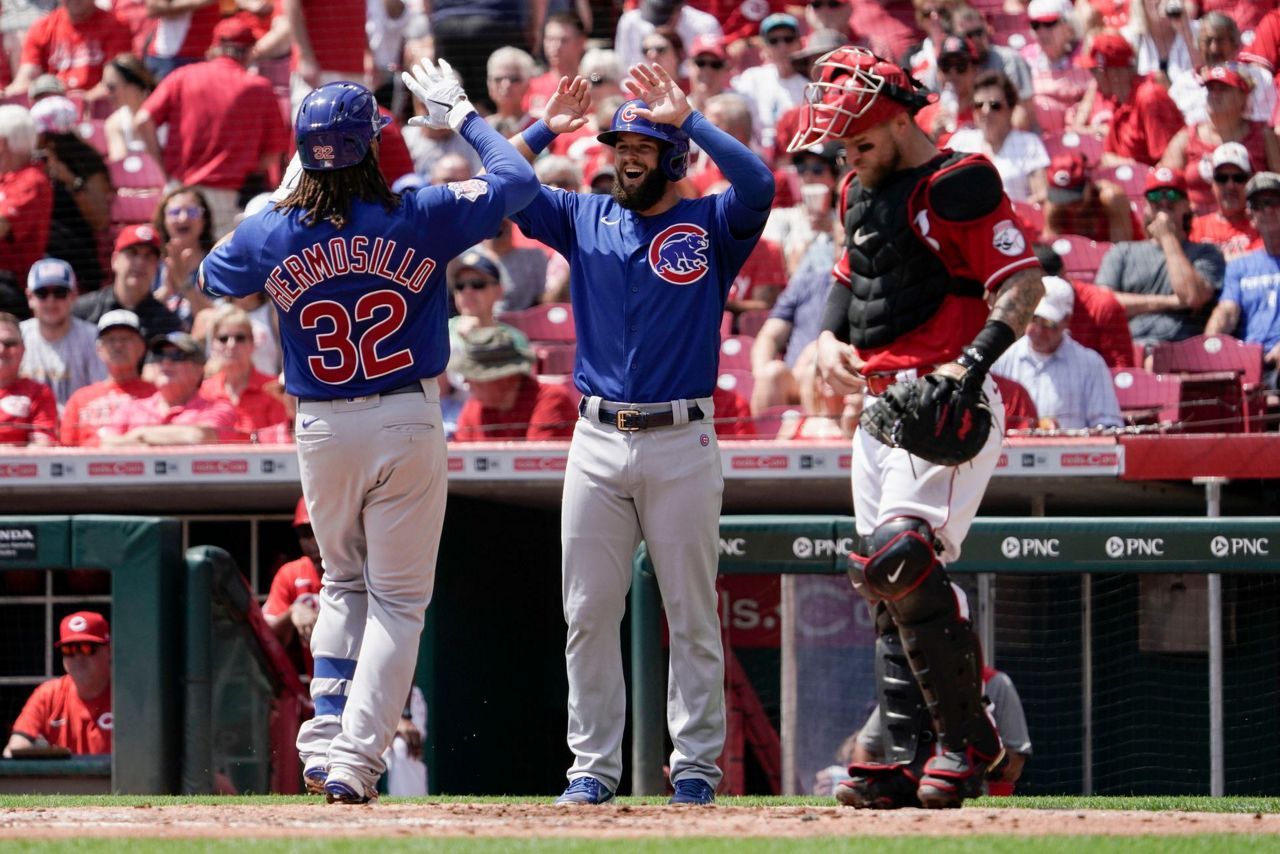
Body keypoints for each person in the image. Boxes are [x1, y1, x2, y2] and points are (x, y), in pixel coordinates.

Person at [199, 67, 538, 804]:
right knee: (398, 602)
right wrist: (464, 116)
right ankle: (354, 759)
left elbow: (211, 275)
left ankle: (325, 733)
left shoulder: (273, 228)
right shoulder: (417, 213)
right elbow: (515, 183)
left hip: (322, 424)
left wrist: (290, 190)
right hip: (403, 413)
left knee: (342, 582)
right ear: (373, 147)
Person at [508, 62, 774, 806]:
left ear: (673, 156)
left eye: (643, 146)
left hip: (682, 437)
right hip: (596, 438)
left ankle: (694, 770)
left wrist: (691, 120)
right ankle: (592, 770)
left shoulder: (710, 224)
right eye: (620, 145)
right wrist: (543, 128)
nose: (626, 156)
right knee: (588, 613)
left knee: (690, 613)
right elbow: (502, 183)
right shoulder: (582, 214)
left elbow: (759, 185)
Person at [794, 46, 1045, 809]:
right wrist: (825, 338)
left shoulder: (960, 180)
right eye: (840, 143)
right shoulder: (857, 189)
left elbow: (1023, 285)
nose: (847, 153)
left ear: (901, 120)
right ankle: (907, 757)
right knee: (882, 581)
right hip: (876, 406)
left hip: (945, 398)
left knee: (903, 556)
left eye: (859, 138)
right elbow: (852, 278)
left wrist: (967, 368)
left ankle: (969, 742)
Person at [263, 497, 429, 796]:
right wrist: (292, 612)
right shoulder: (292, 574)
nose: (311, 541)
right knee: (331, 761)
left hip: (385, 684)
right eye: (303, 533)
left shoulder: (368, 568)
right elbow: (266, 639)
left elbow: (400, 642)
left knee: (402, 748)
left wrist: (401, 712)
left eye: (315, 530)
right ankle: (342, 814)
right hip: (328, 689)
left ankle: (411, 820)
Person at [134, 16, 289, 237]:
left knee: (175, 254)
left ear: (214, 47)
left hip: (179, 192)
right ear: (249, 51)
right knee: (217, 257)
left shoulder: (183, 76)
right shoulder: (260, 88)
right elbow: (272, 156)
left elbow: (142, 121)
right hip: (226, 196)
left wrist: (164, 169)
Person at [845, 662, 1032, 796]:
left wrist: (975, 773)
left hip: (977, 800)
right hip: (915, 796)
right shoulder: (908, 685)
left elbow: (1015, 762)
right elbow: (866, 745)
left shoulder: (994, 682)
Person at [1094, 166, 1225, 347]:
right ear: (1146, 206)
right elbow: (1102, 303)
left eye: (1172, 198)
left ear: (1186, 205)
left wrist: (1168, 237)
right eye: (1155, 198)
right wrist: (1170, 302)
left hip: (1181, 348)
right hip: (1131, 345)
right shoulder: (1122, 251)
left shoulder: (1206, 253)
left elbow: (1192, 297)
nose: (1163, 204)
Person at [993, 276, 1123, 429]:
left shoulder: (1091, 364)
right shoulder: (1002, 359)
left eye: (1048, 323)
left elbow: (1108, 425)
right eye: (1033, 319)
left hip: (1072, 444)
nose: (1038, 330)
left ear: (1067, 320)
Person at [1160, 63, 1280, 216]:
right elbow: (1163, 184)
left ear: (1243, 96)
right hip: (1197, 224)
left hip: (1250, 222)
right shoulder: (1186, 137)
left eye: (1223, 89)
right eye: (1210, 89)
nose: (1215, 94)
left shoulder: (1264, 136)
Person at [1205, 171, 1280, 388]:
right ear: (1251, 216)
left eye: (1274, 202)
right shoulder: (1239, 266)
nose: (1267, 210)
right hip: (1250, 360)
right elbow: (1227, 312)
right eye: (1258, 205)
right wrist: (1209, 344)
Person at [4, 611, 112, 757]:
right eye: (69, 649)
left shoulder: (128, 695)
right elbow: (15, 748)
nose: (78, 657)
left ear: (109, 650)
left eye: (87, 648)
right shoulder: (48, 694)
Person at [99, 331, 237, 445]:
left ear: (199, 368)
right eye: (159, 355)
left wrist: (140, 434)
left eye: (176, 356)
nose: (166, 362)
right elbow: (108, 444)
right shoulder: (131, 408)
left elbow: (199, 436)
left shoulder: (219, 408)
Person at [32, 97, 112, 293]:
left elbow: (100, 220)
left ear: (50, 139)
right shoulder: (31, 164)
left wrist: (70, 180)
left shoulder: (88, 164)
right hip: (40, 249)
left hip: (76, 253)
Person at [451, 326, 577, 440]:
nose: (467, 382)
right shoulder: (473, 408)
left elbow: (538, 456)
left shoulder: (552, 399)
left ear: (503, 378)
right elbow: (461, 453)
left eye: (476, 377)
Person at [1082, 30, 1184, 168]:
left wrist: (1130, 167)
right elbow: (1107, 155)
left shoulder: (1149, 98)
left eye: (1095, 71)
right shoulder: (1118, 101)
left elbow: (1172, 165)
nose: (1093, 78)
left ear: (1115, 74)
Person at [947, 70, 1050, 204]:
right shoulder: (960, 141)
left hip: (1015, 215)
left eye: (995, 106)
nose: (985, 111)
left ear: (1010, 109)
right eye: (978, 105)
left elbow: (1042, 194)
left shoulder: (1029, 143)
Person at [59, 309, 155, 446]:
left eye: (125, 339)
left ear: (142, 347)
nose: (118, 345)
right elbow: (65, 448)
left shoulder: (158, 396)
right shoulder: (79, 399)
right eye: (111, 340)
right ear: (99, 350)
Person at [72, 224, 183, 341]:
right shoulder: (83, 311)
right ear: (114, 260)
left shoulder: (167, 322)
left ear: (157, 266)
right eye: (132, 253)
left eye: (149, 256)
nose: (140, 262)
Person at [19, 258, 105, 407]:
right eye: (42, 293)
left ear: (73, 296)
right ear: (30, 297)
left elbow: (101, 394)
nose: (51, 301)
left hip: (78, 419)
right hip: (27, 420)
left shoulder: (93, 338)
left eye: (60, 292)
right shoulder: (15, 338)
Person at [1167, 13, 1275, 129]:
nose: (1214, 48)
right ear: (1198, 45)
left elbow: (1267, 127)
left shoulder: (1260, 79)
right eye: (1207, 41)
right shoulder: (1182, 84)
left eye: (1221, 41)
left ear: (1236, 45)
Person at [6, 0, 132, 98]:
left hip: (98, 108)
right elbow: (27, 77)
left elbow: (114, 81)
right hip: (53, 105)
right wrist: (6, 94)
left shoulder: (116, 25)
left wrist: (84, 100)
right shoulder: (42, 27)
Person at [201, 305, 288, 441]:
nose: (231, 345)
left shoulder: (274, 389)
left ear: (252, 344)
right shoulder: (204, 391)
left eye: (240, 338)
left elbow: (282, 439)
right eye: (223, 338)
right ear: (212, 345)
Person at [0, 105, 53, 320]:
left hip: (11, 285)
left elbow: (2, 225)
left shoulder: (32, 181)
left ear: (2, 143)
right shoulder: (6, 177)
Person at [730, 13, 806, 152]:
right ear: (764, 47)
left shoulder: (809, 83)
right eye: (773, 41)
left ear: (799, 43)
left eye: (788, 39)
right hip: (756, 154)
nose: (782, 46)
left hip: (798, 155)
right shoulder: (752, 78)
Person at [1022, 0, 1091, 135]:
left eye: (1049, 23)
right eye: (1035, 25)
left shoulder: (1087, 52)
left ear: (1069, 25)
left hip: (1082, 134)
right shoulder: (1025, 59)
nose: (1042, 32)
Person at [1040, 151, 1142, 242]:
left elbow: (1122, 249)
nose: (1071, 206)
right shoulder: (1054, 206)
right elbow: (1048, 248)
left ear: (1088, 183)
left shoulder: (1111, 199)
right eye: (1063, 200)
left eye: (1076, 200)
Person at [1189, 142, 1262, 262]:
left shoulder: (1262, 225)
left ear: (1250, 182)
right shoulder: (1195, 227)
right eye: (1221, 178)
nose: (1230, 186)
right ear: (1212, 183)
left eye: (1239, 178)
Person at [0, 312, 59, 446]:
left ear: (23, 349)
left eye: (9, 343)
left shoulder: (39, 393)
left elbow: (43, 446)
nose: (1, 349)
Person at [527, 12, 589, 118]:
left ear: (581, 42)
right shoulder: (530, 87)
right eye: (550, 39)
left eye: (564, 40)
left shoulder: (594, 85)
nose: (556, 46)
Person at [101, 53, 156, 160]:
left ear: (134, 86)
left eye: (111, 87)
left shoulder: (168, 115)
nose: (106, 93)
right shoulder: (114, 124)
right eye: (104, 86)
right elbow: (121, 167)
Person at [485, 47, 538, 137]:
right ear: (489, 84)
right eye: (498, 79)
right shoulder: (479, 127)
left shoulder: (540, 128)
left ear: (527, 84)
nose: (506, 85)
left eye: (514, 79)